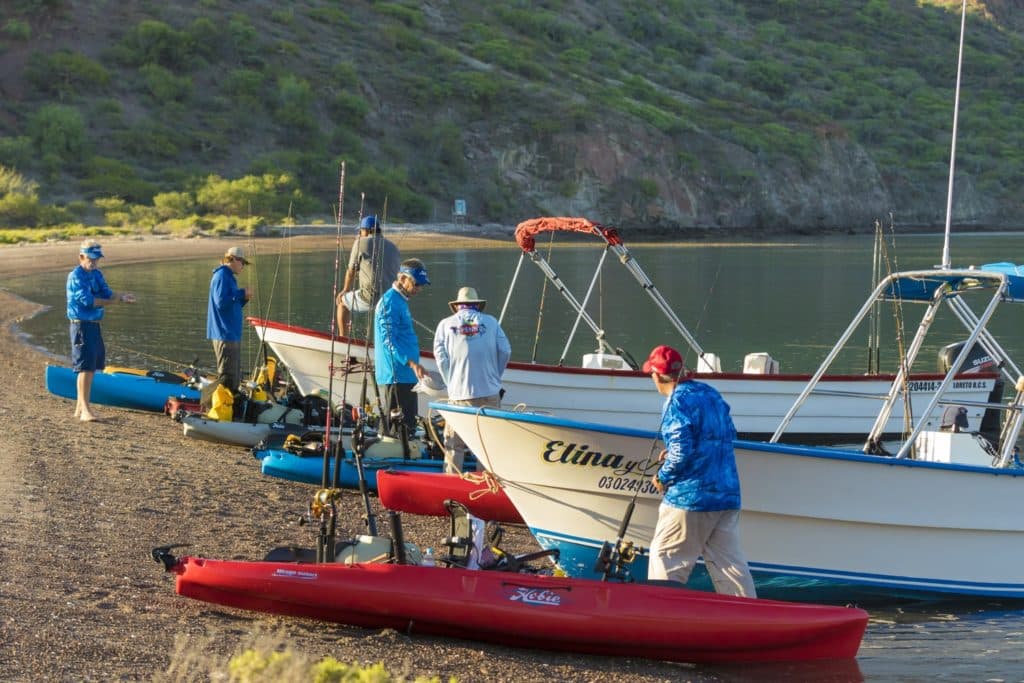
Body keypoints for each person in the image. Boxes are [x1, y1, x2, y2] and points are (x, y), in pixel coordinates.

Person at [644, 344, 756, 597]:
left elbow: (682, 451)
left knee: (666, 558)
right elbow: (727, 434)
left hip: (690, 498)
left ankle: (663, 615)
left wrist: (663, 476)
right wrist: (673, 451)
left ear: (657, 374)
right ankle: (745, 617)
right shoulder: (710, 393)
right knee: (730, 567)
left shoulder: (675, 402)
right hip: (727, 494)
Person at [433, 286, 512, 472]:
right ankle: (486, 485)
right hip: (490, 392)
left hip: (460, 394)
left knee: (455, 445)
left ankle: (452, 486)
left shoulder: (445, 324)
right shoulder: (491, 322)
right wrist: (495, 376)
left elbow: (441, 357)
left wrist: (451, 382)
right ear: (477, 305)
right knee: (487, 444)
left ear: (457, 306)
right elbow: (506, 350)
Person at [65, 239, 136, 422]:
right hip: (81, 325)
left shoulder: (97, 274)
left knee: (93, 366)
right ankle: (85, 411)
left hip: (94, 325)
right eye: (91, 258)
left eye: (97, 259)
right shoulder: (76, 276)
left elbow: (106, 293)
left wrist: (121, 297)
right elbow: (89, 301)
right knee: (85, 367)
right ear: (81, 257)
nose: (95, 262)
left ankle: (80, 408)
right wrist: (113, 302)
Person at [374, 258, 429, 437]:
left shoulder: (400, 301)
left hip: (406, 375)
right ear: (403, 278)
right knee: (397, 429)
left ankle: (407, 455)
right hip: (397, 374)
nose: (419, 289)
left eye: (421, 285)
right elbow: (388, 341)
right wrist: (412, 363)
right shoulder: (390, 301)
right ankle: (390, 458)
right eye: (416, 284)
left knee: (408, 426)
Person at [336, 214, 401, 335]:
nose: (360, 233)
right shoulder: (393, 247)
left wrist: (345, 289)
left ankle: (342, 338)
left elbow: (351, 271)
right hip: (391, 297)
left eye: (361, 230)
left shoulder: (360, 242)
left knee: (342, 303)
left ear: (367, 230)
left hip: (370, 295)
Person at [207, 246, 252, 395]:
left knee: (234, 375)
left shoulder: (228, 277)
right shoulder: (222, 276)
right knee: (228, 376)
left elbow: (231, 305)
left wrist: (244, 298)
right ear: (233, 259)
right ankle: (223, 408)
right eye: (242, 262)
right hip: (224, 333)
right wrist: (241, 293)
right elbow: (221, 302)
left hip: (231, 333)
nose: (243, 266)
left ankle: (231, 406)